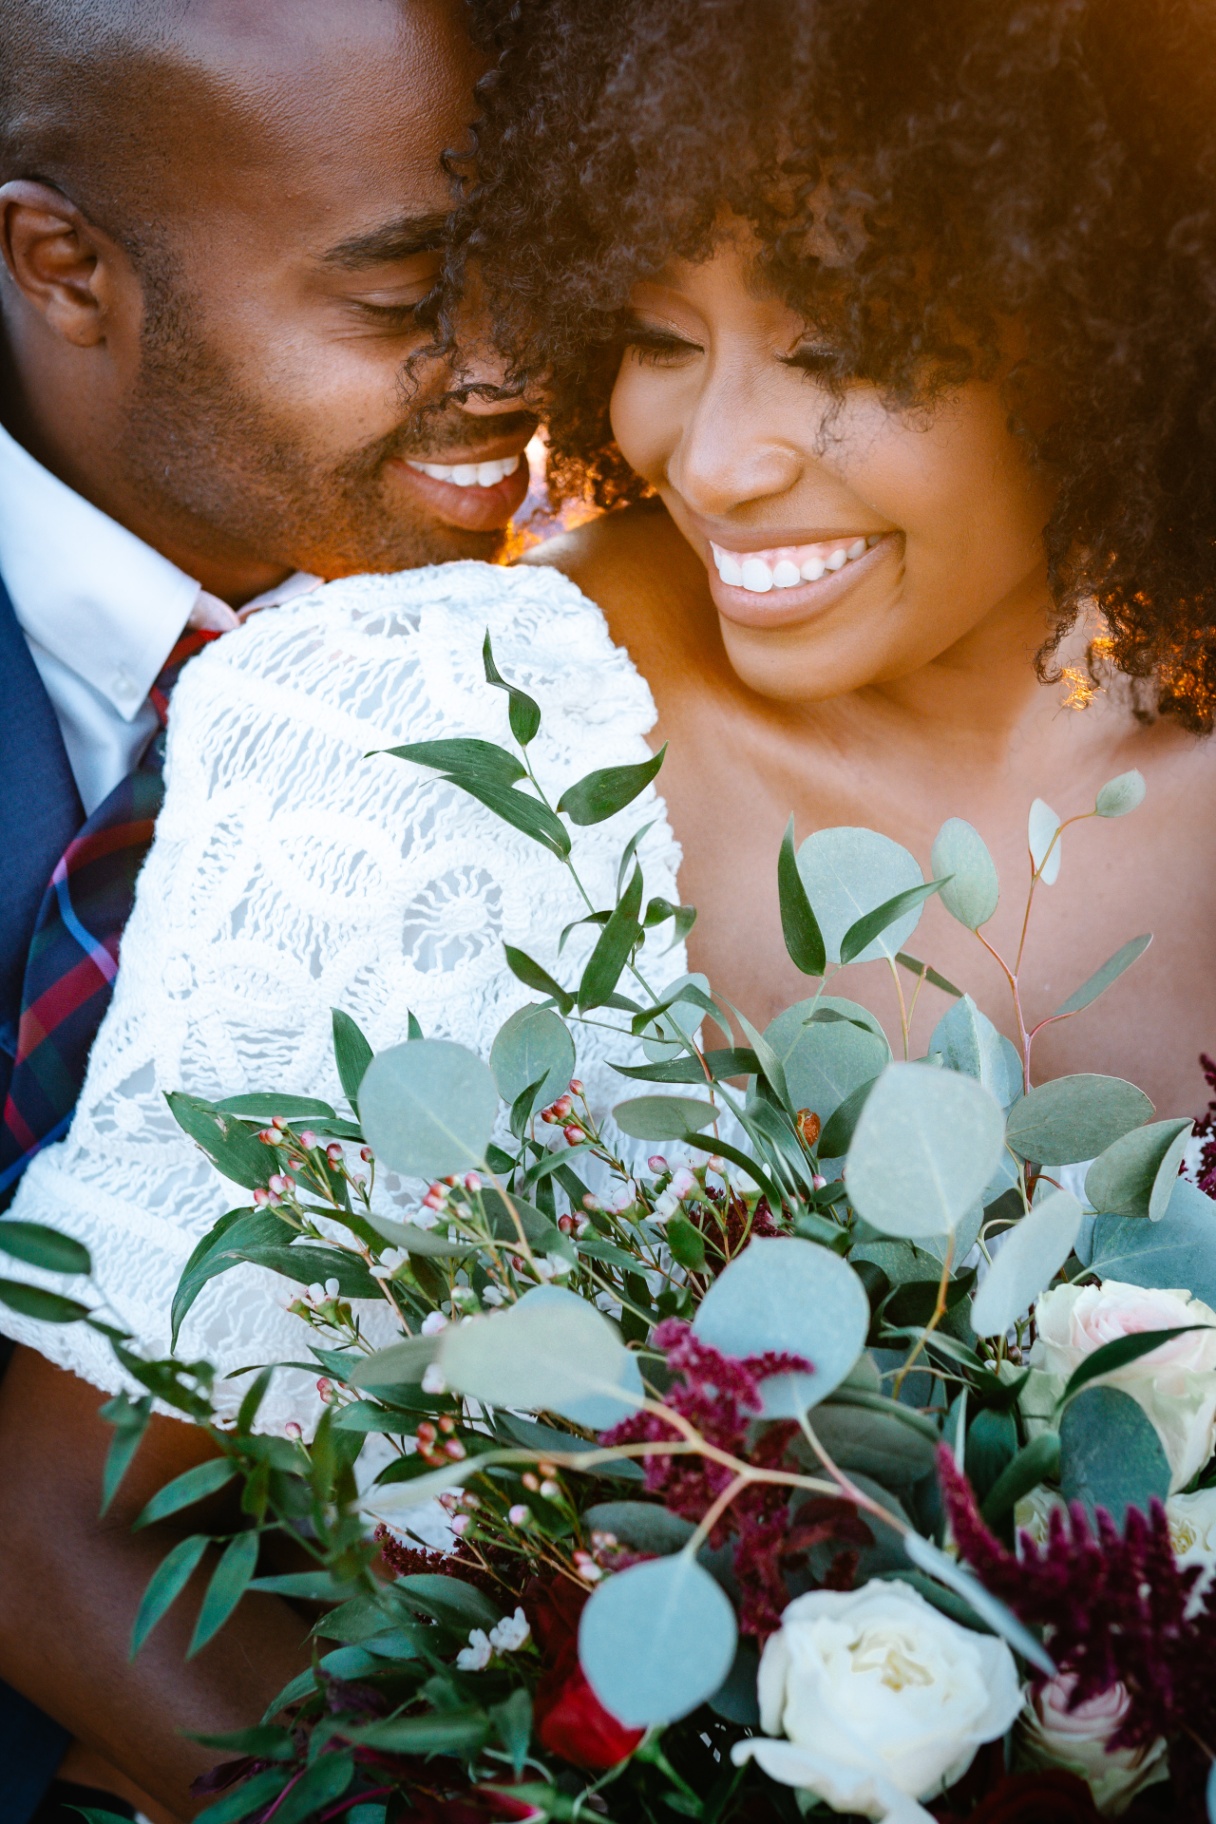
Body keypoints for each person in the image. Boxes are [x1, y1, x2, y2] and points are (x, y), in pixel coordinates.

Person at [0, 0, 538, 1815]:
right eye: (404, 303)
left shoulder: (547, 679)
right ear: (63, 266)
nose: (511, 361)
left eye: (535, 267)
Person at [424, 0, 1216, 1121]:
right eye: (658, 338)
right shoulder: (463, 723)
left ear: (1109, 342)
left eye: (838, 350)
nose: (710, 466)